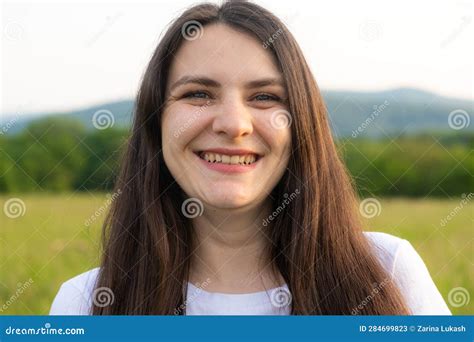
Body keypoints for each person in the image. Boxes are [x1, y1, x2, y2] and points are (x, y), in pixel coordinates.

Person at [50, 0, 451, 315]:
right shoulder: (85, 305)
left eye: (264, 97)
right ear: (156, 122)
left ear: (301, 126)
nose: (233, 124)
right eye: (198, 94)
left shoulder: (388, 273)